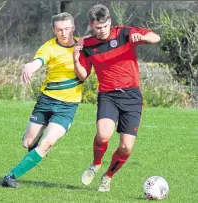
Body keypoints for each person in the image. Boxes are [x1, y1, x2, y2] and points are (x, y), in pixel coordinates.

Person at [73, 4, 161, 192]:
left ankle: (108, 176)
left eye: (105, 26)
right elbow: (82, 75)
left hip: (131, 96)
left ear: (110, 22)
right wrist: (75, 58)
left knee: (126, 148)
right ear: (91, 25)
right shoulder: (86, 44)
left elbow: (156, 37)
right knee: (103, 134)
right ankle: (95, 164)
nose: (102, 31)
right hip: (108, 95)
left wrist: (143, 37)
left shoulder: (124, 33)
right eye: (98, 28)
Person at [2, 12, 84, 188]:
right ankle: (36, 149)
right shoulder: (49, 47)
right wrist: (30, 66)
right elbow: (38, 60)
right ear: (54, 30)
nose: (64, 33)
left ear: (73, 28)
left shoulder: (82, 45)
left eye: (67, 29)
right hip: (46, 101)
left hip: (67, 106)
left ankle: (12, 176)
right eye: (60, 29)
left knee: (47, 142)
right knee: (28, 142)